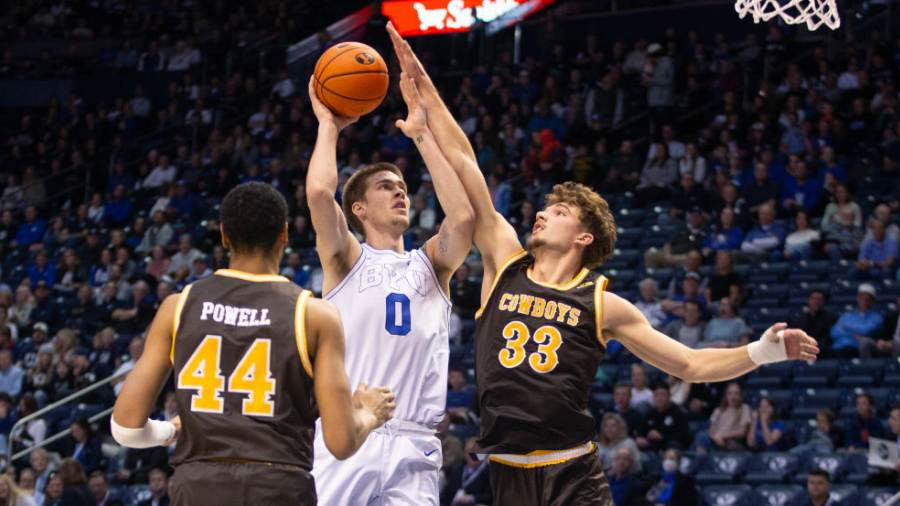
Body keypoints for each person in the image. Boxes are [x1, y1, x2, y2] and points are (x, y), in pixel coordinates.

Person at [389, 23, 818, 505]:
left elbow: (690, 364)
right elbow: (467, 166)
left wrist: (762, 352)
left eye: (559, 212)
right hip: (506, 473)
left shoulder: (603, 305)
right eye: (545, 208)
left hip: (573, 474)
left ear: (583, 236)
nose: (543, 213)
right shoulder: (504, 262)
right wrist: (426, 97)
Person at [111, 182, 396, 505]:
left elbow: (127, 430)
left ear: (223, 235)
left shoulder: (178, 306)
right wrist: (369, 412)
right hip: (277, 485)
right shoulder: (314, 315)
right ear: (285, 234)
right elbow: (341, 442)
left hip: (198, 485)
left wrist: (172, 432)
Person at [305, 55, 474, 504]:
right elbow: (321, 194)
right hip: (349, 432)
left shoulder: (431, 265)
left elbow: (463, 216)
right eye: (385, 186)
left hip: (415, 444)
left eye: (401, 185)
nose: (400, 190)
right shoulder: (345, 260)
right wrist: (329, 124)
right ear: (358, 209)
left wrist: (421, 134)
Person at [692, 383, 752, 453]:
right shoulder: (718, 410)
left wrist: (722, 436)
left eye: (736, 393)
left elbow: (742, 432)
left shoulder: (744, 408)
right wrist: (716, 438)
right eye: (730, 393)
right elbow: (712, 430)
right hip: (716, 440)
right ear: (726, 396)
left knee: (702, 440)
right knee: (700, 436)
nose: (733, 397)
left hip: (732, 441)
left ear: (740, 396)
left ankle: (698, 461)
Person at [830, 283, 884, 358]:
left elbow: (865, 331)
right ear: (858, 298)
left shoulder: (876, 317)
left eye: (868, 298)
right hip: (838, 347)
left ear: (872, 301)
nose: (864, 300)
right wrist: (853, 334)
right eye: (862, 297)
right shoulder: (847, 315)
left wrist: (845, 327)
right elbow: (834, 333)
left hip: (855, 348)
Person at [635, 383, 691, 451]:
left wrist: (661, 437)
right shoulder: (650, 413)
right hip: (651, 447)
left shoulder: (678, 413)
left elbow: (684, 437)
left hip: (671, 448)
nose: (659, 398)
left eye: (663, 394)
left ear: (669, 396)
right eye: (656, 395)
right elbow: (640, 431)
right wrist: (639, 438)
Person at [789, 290, 837, 357]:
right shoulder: (800, 319)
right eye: (813, 299)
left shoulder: (831, 318)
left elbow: (829, 337)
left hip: (822, 350)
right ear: (809, 300)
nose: (816, 301)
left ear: (824, 301)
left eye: (819, 299)